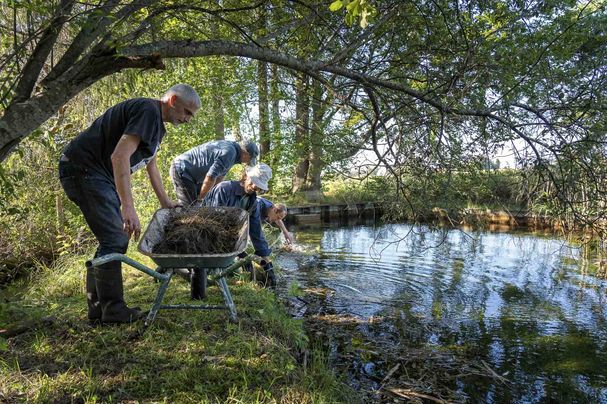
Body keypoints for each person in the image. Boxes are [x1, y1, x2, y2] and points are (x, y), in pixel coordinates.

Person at [58, 84, 201, 324]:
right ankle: (113, 311)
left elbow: (151, 165)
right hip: (83, 170)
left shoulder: (157, 126)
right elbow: (119, 156)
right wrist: (128, 207)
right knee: (116, 238)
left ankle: (99, 310)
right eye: (186, 112)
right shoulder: (148, 111)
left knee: (110, 241)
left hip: (95, 175)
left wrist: (166, 202)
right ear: (173, 100)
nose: (187, 119)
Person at [203, 163, 277, 287]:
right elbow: (214, 222)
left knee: (234, 266)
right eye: (253, 181)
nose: (254, 186)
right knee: (216, 266)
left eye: (258, 185)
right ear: (245, 176)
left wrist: (267, 262)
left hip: (228, 236)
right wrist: (240, 252)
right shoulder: (224, 189)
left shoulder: (253, 201)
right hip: (206, 232)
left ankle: (222, 270)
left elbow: (256, 230)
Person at [170, 139, 260, 206]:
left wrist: (211, 195)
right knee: (191, 208)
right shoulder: (230, 153)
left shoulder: (233, 154)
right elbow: (211, 177)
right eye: (250, 159)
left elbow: (219, 178)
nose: (247, 162)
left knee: (195, 206)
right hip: (183, 169)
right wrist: (201, 200)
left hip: (192, 176)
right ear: (246, 154)